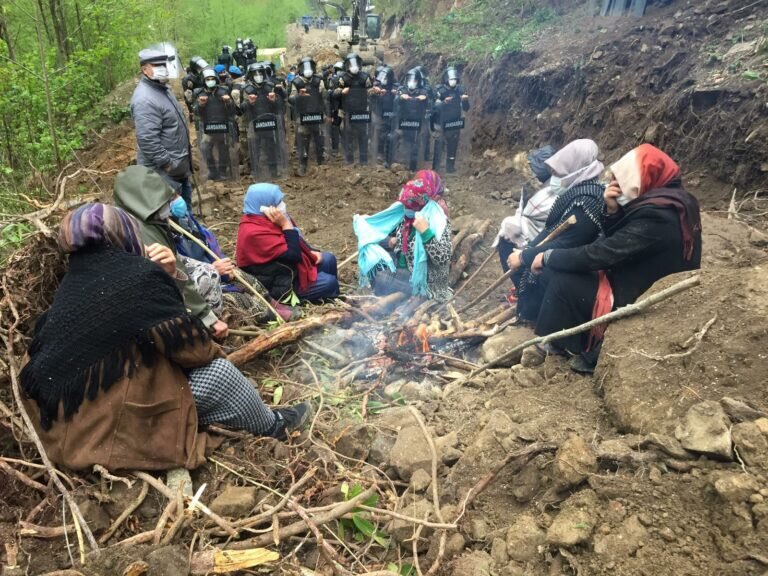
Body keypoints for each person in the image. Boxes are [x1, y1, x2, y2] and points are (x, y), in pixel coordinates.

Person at [19, 203, 310, 471]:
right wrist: (168, 277)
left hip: (58, 432)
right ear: (124, 233)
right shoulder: (138, 275)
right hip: (107, 435)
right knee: (217, 374)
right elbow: (194, 350)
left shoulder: (70, 286)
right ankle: (272, 426)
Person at [529, 144, 702, 373]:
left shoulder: (658, 216)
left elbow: (603, 253)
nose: (615, 186)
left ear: (643, 180)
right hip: (641, 276)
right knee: (564, 270)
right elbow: (623, 241)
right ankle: (561, 341)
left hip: (643, 293)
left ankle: (565, 348)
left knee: (563, 281)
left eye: (622, 182)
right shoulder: (670, 201)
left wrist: (549, 256)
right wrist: (612, 211)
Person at [501, 139, 606, 323]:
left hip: (576, 266)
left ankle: (539, 320)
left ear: (575, 169)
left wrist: (526, 256)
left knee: (541, 270)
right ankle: (531, 312)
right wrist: (527, 251)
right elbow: (552, 229)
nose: (555, 178)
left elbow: (565, 243)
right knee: (520, 255)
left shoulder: (586, 201)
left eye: (559, 173)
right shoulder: (576, 193)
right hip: (560, 253)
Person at [355, 170, 453, 302]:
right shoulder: (407, 217)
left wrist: (426, 232)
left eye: (408, 206)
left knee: (381, 277)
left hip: (427, 279)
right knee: (373, 264)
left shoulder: (438, 220)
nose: (405, 209)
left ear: (419, 204)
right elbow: (388, 235)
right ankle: (397, 289)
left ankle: (411, 293)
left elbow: (442, 259)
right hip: (408, 268)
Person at [236, 183, 340, 303]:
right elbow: (293, 256)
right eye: (278, 201)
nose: (282, 204)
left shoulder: (266, 220)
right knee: (329, 283)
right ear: (264, 206)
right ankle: (320, 301)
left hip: (286, 272)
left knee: (328, 259)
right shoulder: (253, 232)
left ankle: (328, 298)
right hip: (278, 285)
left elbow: (296, 240)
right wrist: (285, 225)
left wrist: (311, 253)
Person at [130, 48, 193, 207]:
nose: (163, 68)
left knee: (185, 217)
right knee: (173, 220)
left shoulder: (163, 90)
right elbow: (147, 140)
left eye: (164, 64)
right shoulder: (145, 99)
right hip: (164, 174)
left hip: (178, 170)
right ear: (144, 70)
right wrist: (168, 164)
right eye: (157, 65)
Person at [241, 62, 287, 179]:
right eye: (255, 73)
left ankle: (274, 170)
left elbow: (280, 106)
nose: (258, 75)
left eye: (260, 73)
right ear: (251, 75)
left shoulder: (270, 86)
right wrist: (249, 103)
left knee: (271, 147)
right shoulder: (246, 89)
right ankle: (255, 171)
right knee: (254, 148)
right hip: (254, 123)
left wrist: (274, 100)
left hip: (269, 122)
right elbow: (241, 109)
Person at [193, 68, 238, 182]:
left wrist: (228, 102)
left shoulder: (224, 91)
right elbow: (196, 112)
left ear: (216, 79)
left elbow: (233, 111)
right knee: (205, 148)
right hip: (207, 127)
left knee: (223, 149)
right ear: (204, 80)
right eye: (208, 79)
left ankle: (223, 171)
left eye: (212, 79)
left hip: (223, 126)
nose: (210, 81)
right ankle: (212, 171)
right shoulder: (199, 93)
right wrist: (201, 105)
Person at [290, 57, 328, 176]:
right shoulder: (296, 82)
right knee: (303, 141)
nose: (308, 70)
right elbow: (290, 99)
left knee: (319, 139)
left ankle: (321, 163)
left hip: (317, 114)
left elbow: (324, 97)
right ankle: (302, 165)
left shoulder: (318, 80)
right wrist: (298, 95)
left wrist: (326, 113)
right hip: (302, 115)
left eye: (310, 67)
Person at [335, 53, 373, 166]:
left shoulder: (365, 77)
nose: (354, 66)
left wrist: (374, 91)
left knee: (363, 135)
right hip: (348, 112)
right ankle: (349, 159)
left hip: (361, 110)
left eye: (356, 64)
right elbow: (335, 93)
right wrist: (341, 91)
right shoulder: (343, 78)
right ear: (347, 65)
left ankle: (364, 160)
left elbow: (370, 90)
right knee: (348, 135)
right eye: (351, 64)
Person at [389, 68, 430, 170]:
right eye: (410, 80)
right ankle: (389, 162)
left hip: (417, 123)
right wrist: (400, 97)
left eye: (414, 80)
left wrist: (425, 99)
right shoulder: (402, 89)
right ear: (406, 80)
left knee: (415, 144)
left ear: (418, 81)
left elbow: (430, 105)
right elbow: (395, 102)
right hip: (403, 121)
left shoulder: (423, 91)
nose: (412, 82)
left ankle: (413, 167)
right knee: (392, 137)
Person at [432, 66, 469, 173]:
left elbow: (466, 108)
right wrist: (444, 102)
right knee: (438, 143)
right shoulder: (439, 90)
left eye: (454, 79)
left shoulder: (460, 90)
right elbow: (434, 107)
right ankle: (436, 167)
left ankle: (450, 167)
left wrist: (465, 101)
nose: (453, 81)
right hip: (440, 121)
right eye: (450, 79)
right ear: (446, 79)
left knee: (453, 143)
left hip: (454, 121)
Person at [371, 65, 398, 165]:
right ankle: (380, 153)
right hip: (380, 113)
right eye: (383, 77)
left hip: (391, 114)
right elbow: (370, 92)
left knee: (391, 135)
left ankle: (391, 155)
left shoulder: (396, 85)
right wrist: (375, 91)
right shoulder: (378, 84)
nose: (384, 80)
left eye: (386, 78)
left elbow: (401, 92)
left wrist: (394, 92)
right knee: (380, 134)